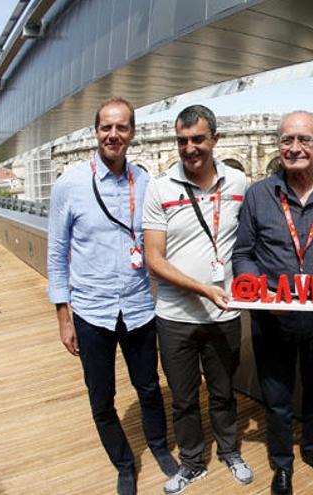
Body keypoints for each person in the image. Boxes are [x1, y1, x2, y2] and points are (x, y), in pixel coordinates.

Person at [46, 97, 177, 495]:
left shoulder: (145, 181)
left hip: (138, 308)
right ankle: (123, 461)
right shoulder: (70, 183)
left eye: (121, 127)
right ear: (96, 131)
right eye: (106, 127)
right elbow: (56, 252)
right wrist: (63, 318)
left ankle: (157, 445)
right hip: (91, 312)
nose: (113, 135)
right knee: (102, 397)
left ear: (132, 133)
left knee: (149, 387)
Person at [232, 110, 313, 495]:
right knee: (277, 397)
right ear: (278, 146)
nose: (295, 147)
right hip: (272, 318)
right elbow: (243, 255)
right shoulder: (258, 195)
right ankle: (282, 464)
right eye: (287, 140)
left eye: (304, 140)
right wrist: (260, 292)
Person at [142, 104, 252, 494]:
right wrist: (205, 289)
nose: (189, 148)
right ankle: (191, 464)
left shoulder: (239, 184)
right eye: (182, 140)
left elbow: (252, 245)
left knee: (224, 392)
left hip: (224, 316)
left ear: (215, 140)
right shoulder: (159, 188)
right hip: (175, 316)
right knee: (184, 399)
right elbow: (153, 259)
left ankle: (229, 451)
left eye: (198, 139)